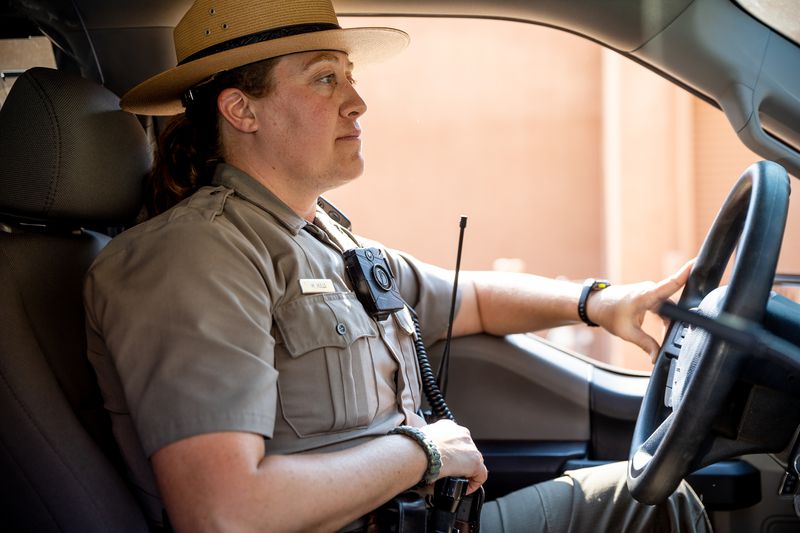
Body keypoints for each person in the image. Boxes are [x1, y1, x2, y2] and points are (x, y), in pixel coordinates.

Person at [84, 0, 712, 531]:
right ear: (241, 110)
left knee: (653, 499)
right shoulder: (194, 258)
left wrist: (599, 302)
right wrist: (424, 453)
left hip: (420, 516)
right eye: (324, 78)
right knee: (654, 507)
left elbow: (470, 300)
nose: (357, 102)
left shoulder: (321, 236)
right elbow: (224, 511)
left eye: (349, 77)